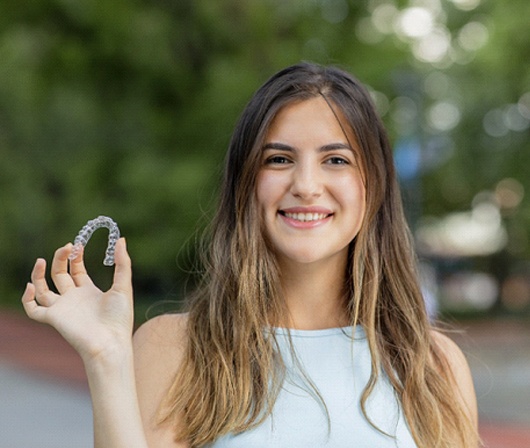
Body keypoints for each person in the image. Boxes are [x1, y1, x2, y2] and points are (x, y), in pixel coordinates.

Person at [22, 62, 479, 447]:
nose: (305, 185)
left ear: (373, 186)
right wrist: (107, 360)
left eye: (335, 160)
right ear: (246, 184)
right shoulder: (175, 348)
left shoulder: (433, 364)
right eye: (278, 159)